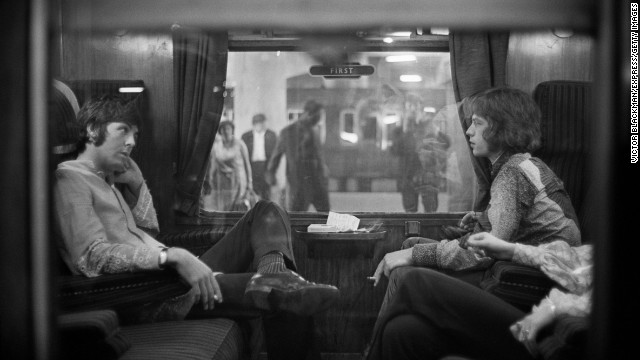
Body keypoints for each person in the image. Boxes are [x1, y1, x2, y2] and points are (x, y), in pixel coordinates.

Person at [53, 95, 340, 360]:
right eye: (123, 131)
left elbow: (149, 232)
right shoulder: (71, 180)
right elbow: (92, 257)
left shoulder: (106, 180)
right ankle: (277, 281)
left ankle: (273, 272)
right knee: (285, 298)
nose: (131, 142)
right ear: (92, 129)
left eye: (135, 135)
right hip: (154, 292)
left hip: (171, 275)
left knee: (267, 209)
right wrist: (171, 257)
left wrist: (137, 184)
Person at [372, 87, 582, 289]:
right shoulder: (522, 165)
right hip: (528, 270)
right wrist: (486, 217)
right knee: (412, 244)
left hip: (532, 280)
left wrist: (413, 256)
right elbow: (524, 226)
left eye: (477, 123)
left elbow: (484, 251)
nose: (469, 131)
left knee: (406, 265)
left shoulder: (513, 173)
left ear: (501, 128)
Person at [365, 232, 592, 360]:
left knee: (414, 280)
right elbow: (576, 259)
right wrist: (510, 250)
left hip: (551, 334)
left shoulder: (516, 172)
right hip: (542, 321)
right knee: (404, 330)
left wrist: (553, 308)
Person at [266, 100, 330, 212]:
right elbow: (276, 156)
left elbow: (319, 155)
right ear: (309, 114)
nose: (319, 120)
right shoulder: (287, 132)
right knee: (296, 216)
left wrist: (324, 171)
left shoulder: (315, 131)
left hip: (317, 182)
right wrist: (271, 174)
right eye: (318, 116)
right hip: (298, 183)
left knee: (325, 215)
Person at [202, 120, 253, 211]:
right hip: (222, 182)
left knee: (237, 207)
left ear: (232, 130)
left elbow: (247, 164)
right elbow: (213, 164)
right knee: (224, 207)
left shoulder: (240, 144)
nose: (226, 131)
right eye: (223, 129)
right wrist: (209, 180)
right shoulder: (216, 146)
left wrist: (249, 183)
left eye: (228, 129)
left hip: (238, 180)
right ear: (220, 131)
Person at [242, 113, 278, 201]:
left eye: (263, 123)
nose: (262, 126)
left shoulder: (272, 135)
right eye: (259, 123)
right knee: (253, 193)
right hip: (251, 167)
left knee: (266, 193)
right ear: (254, 124)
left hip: (266, 167)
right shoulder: (246, 136)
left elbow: (275, 154)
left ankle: (265, 212)